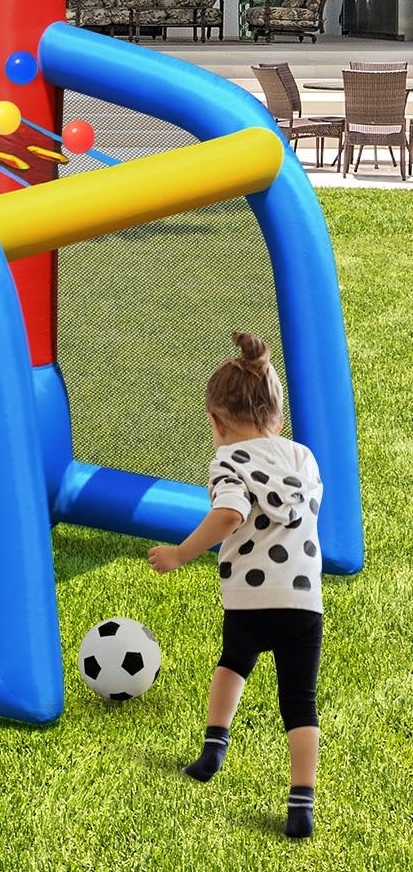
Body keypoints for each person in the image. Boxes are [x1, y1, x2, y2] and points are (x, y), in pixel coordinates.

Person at [148, 331, 324, 839]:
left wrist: (182, 553)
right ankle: (301, 802)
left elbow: (228, 515)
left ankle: (213, 748)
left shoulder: (229, 461)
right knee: (299, 701)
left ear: (217, 423)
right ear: (278, 415)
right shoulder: (304, 460)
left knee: (231, 665)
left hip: (249, 599)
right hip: (302, 603)